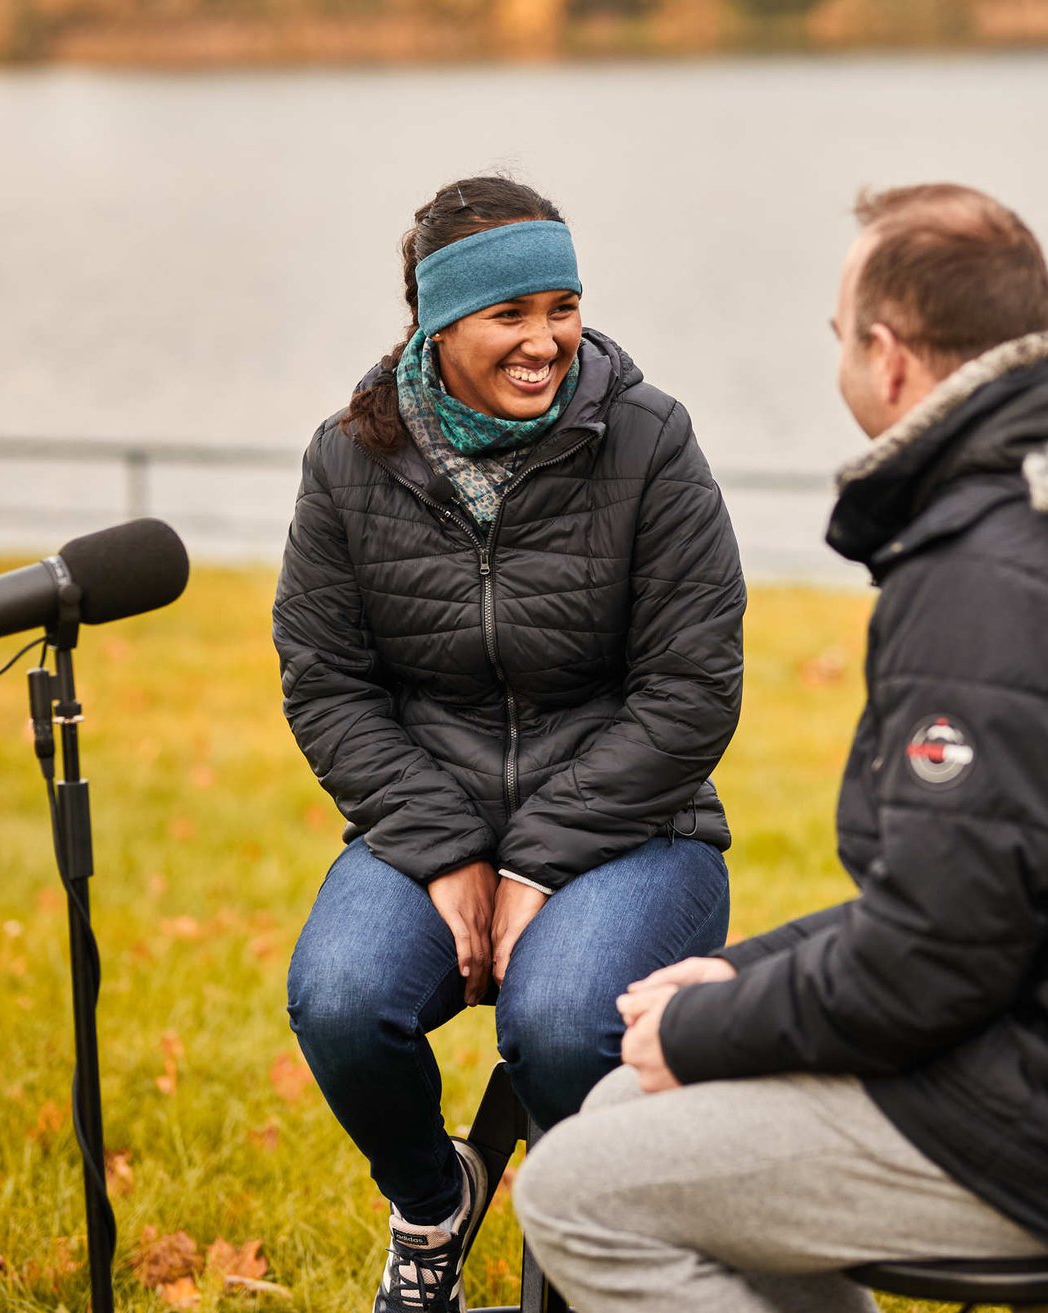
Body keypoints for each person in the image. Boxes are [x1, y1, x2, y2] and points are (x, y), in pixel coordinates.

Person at [513, 182, 1048, 1313]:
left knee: (573, 1189)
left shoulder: (982, 581)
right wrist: (743, 974)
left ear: (890, 359)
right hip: (1004, 1034)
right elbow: (969, 889)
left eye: (838, 336)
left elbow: (940, 955)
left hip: (1015, 1106)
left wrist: (715, 1022)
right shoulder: (998, 524)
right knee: (625, 1110)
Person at [272, 174, 745, 1313]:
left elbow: (691, 689)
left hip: (635, 825)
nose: (546, 342)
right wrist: (443, 850)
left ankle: (580, 1243)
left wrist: (534, 861)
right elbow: (326, 679)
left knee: (562, 1017)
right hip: (425, 815)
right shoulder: (348, 459)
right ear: (439, 322)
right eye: (511, 315)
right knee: (339, 999)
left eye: (563, 305)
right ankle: (436, 1201)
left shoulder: (649, 439)